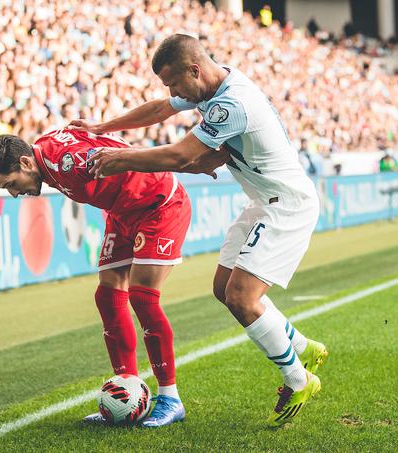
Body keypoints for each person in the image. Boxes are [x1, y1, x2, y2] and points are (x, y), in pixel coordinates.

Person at [71, 33, 328, 426]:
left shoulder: (231, 103)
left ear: (195, 70)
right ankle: (300, 344)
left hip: (287, 206)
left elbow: (180, 154)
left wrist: (122, 158)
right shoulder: (210, 86)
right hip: (263, 202)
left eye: (174, 83)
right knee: (223, 289)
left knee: (243, 297)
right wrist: (102, 126)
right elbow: (159, 110)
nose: (173, 92)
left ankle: (298, 379)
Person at [0, 128, 228, 427]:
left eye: (11, 183)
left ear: (25, 162)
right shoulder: (44, 151)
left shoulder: (70, 163)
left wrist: (194, 162)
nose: (14, 193)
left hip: (158, 205)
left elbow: (126, 156)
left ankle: (170, 398)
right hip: (122, 213)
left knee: (142, 297)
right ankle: (126, 391)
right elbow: (97, 139)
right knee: (108, 297)